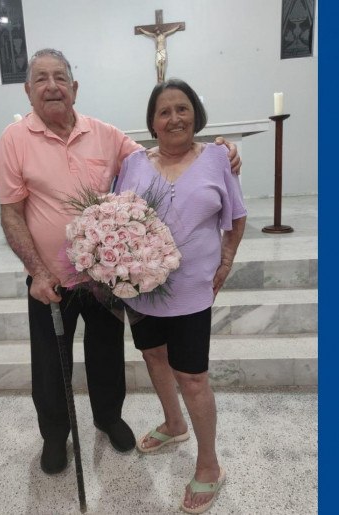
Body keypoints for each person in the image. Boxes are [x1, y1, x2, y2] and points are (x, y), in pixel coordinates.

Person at [0, 49, 241, 476]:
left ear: (75, 87)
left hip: (105, 279)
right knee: (51, 362)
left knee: (106, 352)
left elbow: (162, 151)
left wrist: (222, 149)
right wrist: (37, 271)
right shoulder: (13, 140)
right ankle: (55, 437)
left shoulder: (106, 135)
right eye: (41, 79)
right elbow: (12, 213)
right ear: (28, 90)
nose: (52, 85)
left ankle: (108, 418)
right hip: (47, 279)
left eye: (60, 77)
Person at [114, 78, 247, 514]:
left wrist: (225, 262)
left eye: (182, 108)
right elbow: (116, 220)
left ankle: (210, 465)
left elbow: (237, 218)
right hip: (142, 292)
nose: (174, 117)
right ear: (152, 122)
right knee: (154, 357)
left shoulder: (217, 159)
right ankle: (174, 424)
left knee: (192, 377)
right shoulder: (133, 163)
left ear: (196, 115)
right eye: (164, 111)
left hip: (192, 292)